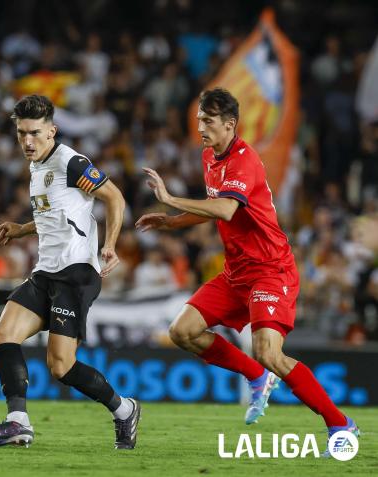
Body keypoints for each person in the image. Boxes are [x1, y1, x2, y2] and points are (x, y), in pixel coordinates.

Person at [135, 88, 359, 454]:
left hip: (271, 270)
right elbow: (214, 205)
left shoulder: (244, 160)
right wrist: (173, 222)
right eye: (199, 121)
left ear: (230, 124)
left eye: (208, 121)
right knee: (182, 331)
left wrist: (171, 198)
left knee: (269, 352)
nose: (201, 128)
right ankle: (256, 377)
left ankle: (338, 423)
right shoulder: (210, 156)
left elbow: (225, 210)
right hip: (236, 272)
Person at [0, 95, 140, 449]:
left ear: (52, 131)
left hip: (76, 273)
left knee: (61, 366)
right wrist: (21, 228)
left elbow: (115, 198)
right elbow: (57, 215)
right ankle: (18, 422)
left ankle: (124, 410)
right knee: (2, 337)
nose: (27, 142)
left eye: (34, 133)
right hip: (46, 272)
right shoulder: (38, 168)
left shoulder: (70, 162)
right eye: (20, 134)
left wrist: (109, 245)